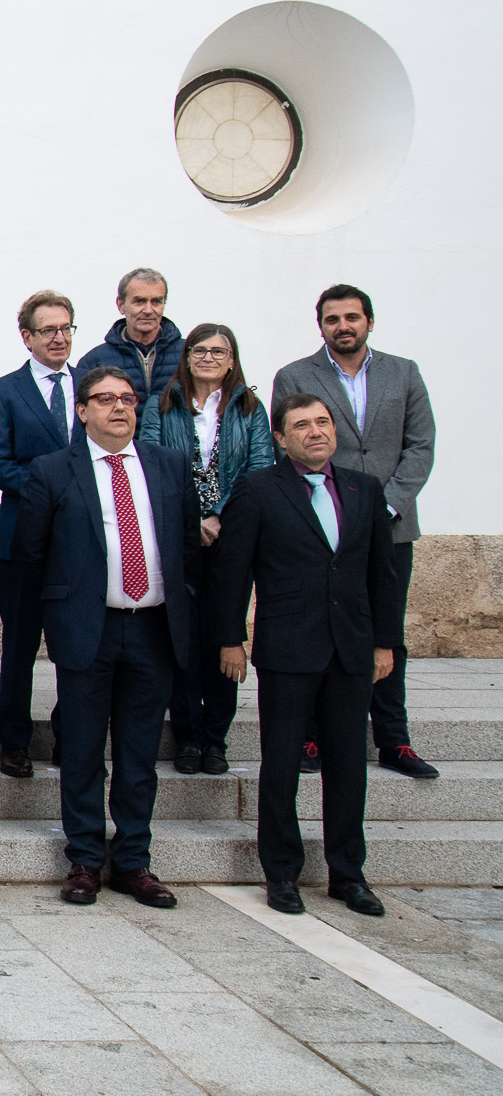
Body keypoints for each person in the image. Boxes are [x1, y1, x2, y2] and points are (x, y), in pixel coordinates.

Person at [13, 366, 198, 908]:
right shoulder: (52, 471)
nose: (119, 407)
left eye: (127, 398)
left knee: (140, 753)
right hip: (85, 629)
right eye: (105, 399)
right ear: (82, 410)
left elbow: (188, 549)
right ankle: (86, 859)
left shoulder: (168, 466)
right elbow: (30, 556)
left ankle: (134, 861)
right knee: (85, 749)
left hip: (153, 628)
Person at [210, 393, 399, 918]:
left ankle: (348, 873)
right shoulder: (258, 489)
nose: (315, 432)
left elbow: (382, 574)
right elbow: (233, 569)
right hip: (289, 648)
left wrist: (385, 642)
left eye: (322, 422)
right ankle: (283, 873)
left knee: (347, 765)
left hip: (351, 649)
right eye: (302, 425)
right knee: (283, 762)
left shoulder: (365, 489)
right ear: (281, 437)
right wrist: (230, 638)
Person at [271, 285, 437, 780]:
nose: (343, 326)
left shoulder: (403, 372)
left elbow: (420, 446)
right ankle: (313, 735)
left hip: (391, 524)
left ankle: (394, 739)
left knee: (388, 631)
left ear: (369, 321)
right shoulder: (296, 375)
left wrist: (384, 504)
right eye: (332, 319)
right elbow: (290, 447)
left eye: (352, 317)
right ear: (319, 325)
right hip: (323, 529)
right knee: (320, 628)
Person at [140, 323, 273, 775]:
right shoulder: (163, 404)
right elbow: (152, 465)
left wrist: (219, 517)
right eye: (200, 350)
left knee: (223, 636)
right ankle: (187, 738)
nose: (210, 358)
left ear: (232, 359)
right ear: (187, 355)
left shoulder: (251, 409)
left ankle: (215, 738)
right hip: (179, 538)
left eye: (220, 351)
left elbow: (259, 470)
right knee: (183, 639)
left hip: (233, 538)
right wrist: (192, 520)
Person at [0, 291, 80, 779]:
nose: (59, 338)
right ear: (27, 338)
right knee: (21, 642)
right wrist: (57, 491)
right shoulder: (2, 392)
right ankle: (14, 740)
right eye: (48, 330)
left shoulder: (94, 387)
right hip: (23, 536)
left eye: (66, 328)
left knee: (76, 643)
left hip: (83, 541)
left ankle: (71, 732)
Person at [77, 268, 184, 422]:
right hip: (120, 445)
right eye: (139, 301)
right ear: (120, 305)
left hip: (176, 446)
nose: (148, 310)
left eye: (156, 301)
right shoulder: (94, 362)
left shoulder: (188, 355)